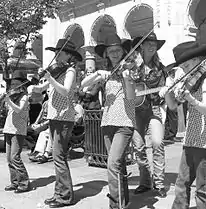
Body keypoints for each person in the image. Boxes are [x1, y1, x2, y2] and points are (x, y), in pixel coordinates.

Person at [160, 41, 206, 209]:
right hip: (190, 139)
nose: (185, 71)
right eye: (183, 68)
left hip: (205, 140)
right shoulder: (189, 83)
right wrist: (167, 93)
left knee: (202, 187)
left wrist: (190, 99)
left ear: (198, 61)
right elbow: (172, 106)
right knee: (182, 182)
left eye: (187, 66)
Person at [81, 33, 136, 209]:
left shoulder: (129, 70)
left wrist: (127, 78)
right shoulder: (105, 73)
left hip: (124, 123)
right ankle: (124, 202)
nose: (114, 53)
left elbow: (131, 97)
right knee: (118, 165)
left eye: (117, 50)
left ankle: (115, 205)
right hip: (107, 122)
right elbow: (83, 85)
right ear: (106, 54)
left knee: (112, 164)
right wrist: (97, 74)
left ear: (122, 51)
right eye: (111, 51)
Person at [29, 38, 82, 208]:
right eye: (56, 53)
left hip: (64, 118)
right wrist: (34, 87)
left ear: (68, 55)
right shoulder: (57, 71)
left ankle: (65, 195)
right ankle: (59, 192)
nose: (57, 56)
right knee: (56, 156)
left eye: (60, 53)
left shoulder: (70, 71)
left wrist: (50, 78)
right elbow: (42, 88)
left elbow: (65, 91)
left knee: (59, 157)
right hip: (54, 117)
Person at [130, 32, 167, 198]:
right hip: (136, 111)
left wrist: (165, 92)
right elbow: (128, 88)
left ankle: (159, 183)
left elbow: (164, 91)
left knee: (158, 143)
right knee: (138, 147)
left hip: (154, 108)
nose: (152, 46)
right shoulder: (133, 67)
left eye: (155, 43)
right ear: (142, 46)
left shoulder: (161, 69)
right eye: (149, 43)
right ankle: (145, 182)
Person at [3, 70, 31, 193]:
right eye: (12, 84)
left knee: (15, 157)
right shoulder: (13, 96)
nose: (12, 86)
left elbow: (19, 110)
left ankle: (24, 183)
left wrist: (8, 100)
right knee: (9, 158)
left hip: (18, 130)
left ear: (21, 85)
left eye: (15, 84)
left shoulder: (24, 97)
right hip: (8, 128)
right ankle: (14, 182)